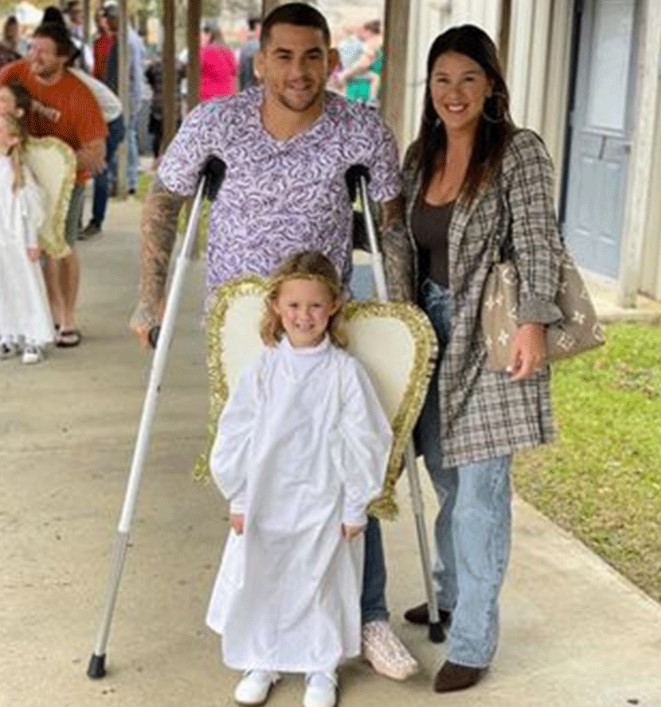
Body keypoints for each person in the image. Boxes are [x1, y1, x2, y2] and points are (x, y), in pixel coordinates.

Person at [130, 2, 418, 682]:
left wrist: (400, 313)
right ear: (259, 62)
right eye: (283, 55)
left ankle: (367, 613)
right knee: (259, 470)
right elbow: (164, 200)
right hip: (240, 329)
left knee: (345, 458)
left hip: (322, 325)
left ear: (330, 59)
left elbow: (390, 223)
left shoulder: (360, 128)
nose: (298, 70)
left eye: (312, 55)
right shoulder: (217, 121)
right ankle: (262, 623)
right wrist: (150, 295)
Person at [382, 25, 564, 692]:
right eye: (442, 79)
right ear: (428, 87)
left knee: (480, 493)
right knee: (447, 478)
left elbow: (539, 238)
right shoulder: (418, 155)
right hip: (429, 331)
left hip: (491, 328)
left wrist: (532, 322)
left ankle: (472, 640)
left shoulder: (517, 151)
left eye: (467, 78)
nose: (453, 92)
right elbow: (401, 242)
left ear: (490, 84)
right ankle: (451, 593)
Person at [208, 251, 391, 707]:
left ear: (334, 306)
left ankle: (320, 666)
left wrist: (355, 504)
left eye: (314, 305)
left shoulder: (345, 373)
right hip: (267, 494)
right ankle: (262, 658)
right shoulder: (264, 370)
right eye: (293, 305)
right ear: (276, 306)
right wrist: (239, 497)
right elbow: (237, 432)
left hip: (324, 495)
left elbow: (366, 439)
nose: (303, 316)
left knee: (320, 579)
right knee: (265, 575)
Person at [0, 21, 107, 347]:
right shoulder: (15, 73)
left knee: (61, 245)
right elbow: (0, 100)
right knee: (31, 248)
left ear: (63, 57)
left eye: (43, 52)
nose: (34, 56)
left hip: (66, 182)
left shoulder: (80, 96)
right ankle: (45, 315)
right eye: (32, 48)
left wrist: (56, 162)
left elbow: (96, 154)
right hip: (21, 177)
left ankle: (67, 318)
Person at [0, 114, 53, 365]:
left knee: (25, 283)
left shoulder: (19, 172)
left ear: (13, 139)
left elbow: (29, 210)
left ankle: (34, 336)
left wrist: (32, 241)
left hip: (15, 237)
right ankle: (6, 334)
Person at [70, 63, 125, 238]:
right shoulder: (67, 77)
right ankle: (75, 222)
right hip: (103, 118)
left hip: (110, 122)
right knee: (78, 168)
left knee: (98, 169)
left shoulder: (72, 82)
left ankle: (95, 223)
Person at [102, 1, 145, 194]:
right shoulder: (124, 38)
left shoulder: (127, 40)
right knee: (127, 135)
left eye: (109, 18)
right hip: (122, 96)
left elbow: (128, 73)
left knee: (126, 136)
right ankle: (126, 177)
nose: (106, 23)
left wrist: (125, 100)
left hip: (125, 97)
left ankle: (129, 178)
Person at [335, 20, 383, 105]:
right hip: (378, 87)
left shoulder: (371, 43)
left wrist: (344, 75)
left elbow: (363, 63)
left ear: (368, 31)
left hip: (362, 86)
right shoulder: (383, 42)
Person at [199, 23, 237, 101]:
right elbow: (235, 70)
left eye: (204, 34)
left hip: (209, 96)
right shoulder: (228, 50)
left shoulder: (205, 51)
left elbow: (195, 69)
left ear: (210, 35)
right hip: (228, 95)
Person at [0, 20, 21, 94]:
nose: (12, 32)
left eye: (14, 29)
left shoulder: (7, 51)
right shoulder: (2, 48)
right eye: (10, 29)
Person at [237, 16, 261, 91]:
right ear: (257, 27)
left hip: (245, 90)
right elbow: (258, 74)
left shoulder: (245, 46)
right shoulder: (257, 46)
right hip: (255, 90)